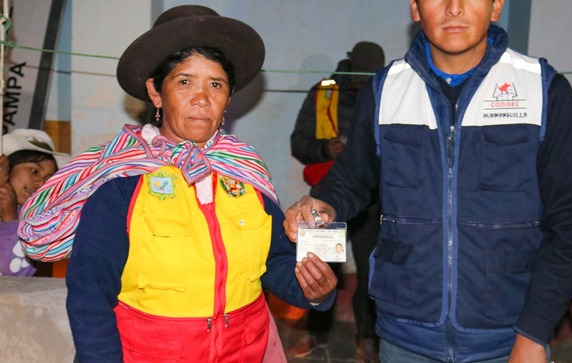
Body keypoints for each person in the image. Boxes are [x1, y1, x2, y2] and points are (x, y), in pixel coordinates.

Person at [17, 5, 337, 362]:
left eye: (215, 84)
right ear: (156, 92)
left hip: (245, 351)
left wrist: (311, 289)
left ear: (228, 98)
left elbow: (273, 260)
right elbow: (90, 295)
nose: (201, 98)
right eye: (185, 81)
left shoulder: (243, 171)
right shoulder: (121, 182)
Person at [284, 0, 572, 362]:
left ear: (496, 7)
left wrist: (534, 332)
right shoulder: (387, 90)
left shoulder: (542, 90)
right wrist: (321, 203)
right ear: (415, 9)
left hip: (508, 338)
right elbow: (350, 179)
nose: (453, 8)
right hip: (405, 338)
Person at [288, 41, 384, 361]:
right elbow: (299, 143)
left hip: (370, 201)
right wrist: (325, 150)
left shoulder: (386, 92)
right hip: (328, 196)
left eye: (370, 77)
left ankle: (367, 335)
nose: (364, 83)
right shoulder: (323, 93)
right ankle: (316, 332)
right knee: (319, 267)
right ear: (349, 66)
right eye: (360, 76)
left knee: (370, 271)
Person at [0, 129, 69, 276]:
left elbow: (15, 274)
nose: (40, 183)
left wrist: (10, 219)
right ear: (6, 167)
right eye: (34, 170)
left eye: (48, 178)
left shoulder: (36, 223)